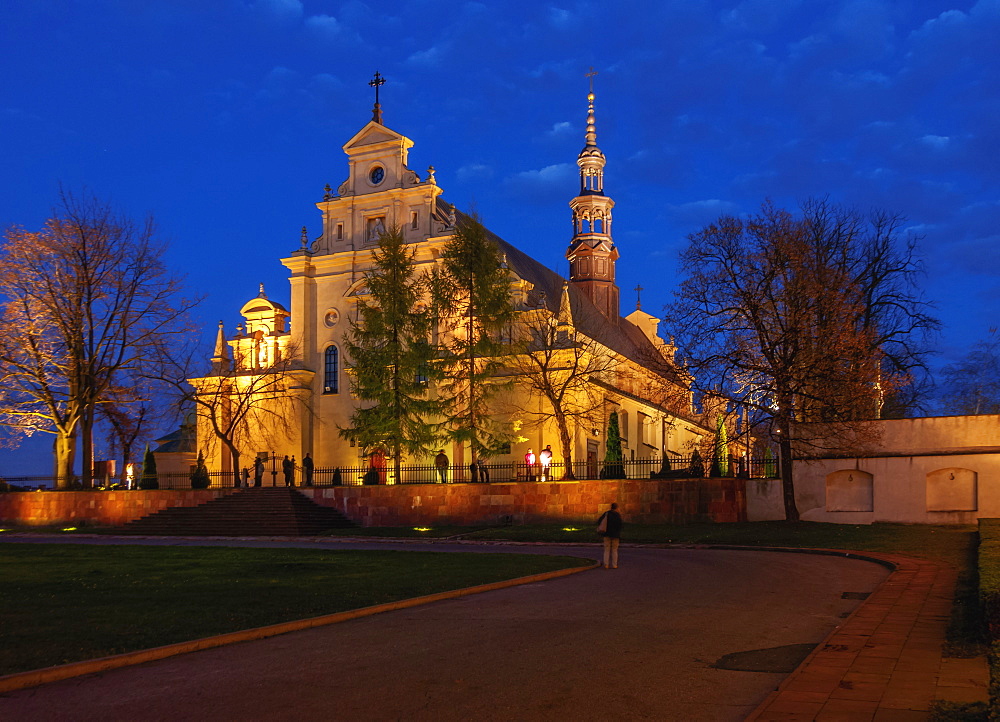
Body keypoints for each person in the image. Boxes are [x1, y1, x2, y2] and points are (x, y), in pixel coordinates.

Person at [597, 503, 624, 569]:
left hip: (606, 534)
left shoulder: (606, 514)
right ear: (616, 508)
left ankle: (606, 564)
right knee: (614, 550)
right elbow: (620, 525)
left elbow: (599, 521)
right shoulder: (618, 515)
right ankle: (614, 565)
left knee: (607, 550)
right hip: (615, 535)